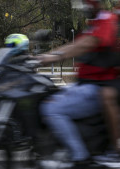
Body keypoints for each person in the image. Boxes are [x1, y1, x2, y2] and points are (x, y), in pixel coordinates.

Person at [36, 0, 119, 167]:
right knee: (48, 94)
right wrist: (42, 56)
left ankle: (79, 157)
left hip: (99, 85)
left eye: (86, 4)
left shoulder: (106, 20)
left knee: (51, 108)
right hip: (86, 84)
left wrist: (53, 57)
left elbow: (86, 44)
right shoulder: (94, 23)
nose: (83, 8)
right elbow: (75, 44)